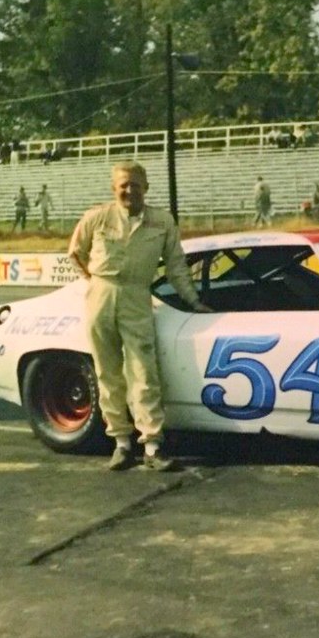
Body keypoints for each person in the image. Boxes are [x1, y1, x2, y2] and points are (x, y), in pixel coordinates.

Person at [68, 161, 211, 472]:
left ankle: (152, 445)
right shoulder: (97, 217)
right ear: (113, 188)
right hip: (101, 293)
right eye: (123, 185)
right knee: (107, 372)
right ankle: (120, 442)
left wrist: (193, 301)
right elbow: (76, 252)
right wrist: (94, 283)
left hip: (136, 295)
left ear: (146, 188)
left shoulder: (161, 222)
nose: (129, 190)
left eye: (135, 185)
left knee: (143, 371)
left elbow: (176, 266)